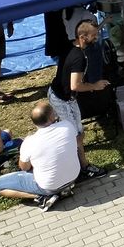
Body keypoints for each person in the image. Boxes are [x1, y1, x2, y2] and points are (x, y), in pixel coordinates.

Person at [46, 19, 107, 181]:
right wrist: (95, 85)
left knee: (78, 133)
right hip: (62, 99)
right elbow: (75, 85)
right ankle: (82, 168)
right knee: (75, 135)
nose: (97, 37)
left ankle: (79, 166)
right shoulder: (79, 57)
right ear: (82, 36)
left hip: (63, 96)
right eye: (94, 35)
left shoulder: (70, 45)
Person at [0, 101, 81, 211]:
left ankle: (41, 196)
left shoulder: (30, 142)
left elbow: (24, 167)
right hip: (73, 176)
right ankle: (62, 190)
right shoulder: (68, 126)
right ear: (51, 117)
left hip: (49, 186)